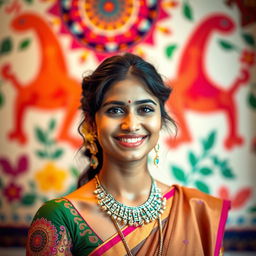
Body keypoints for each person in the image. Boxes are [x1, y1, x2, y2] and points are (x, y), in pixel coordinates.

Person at [26, 53, 230, 256]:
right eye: (115, 110)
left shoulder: (198, 213)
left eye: (145, 109)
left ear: (161, 119)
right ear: (91, 123)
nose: (131, 125)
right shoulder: (60, 218)